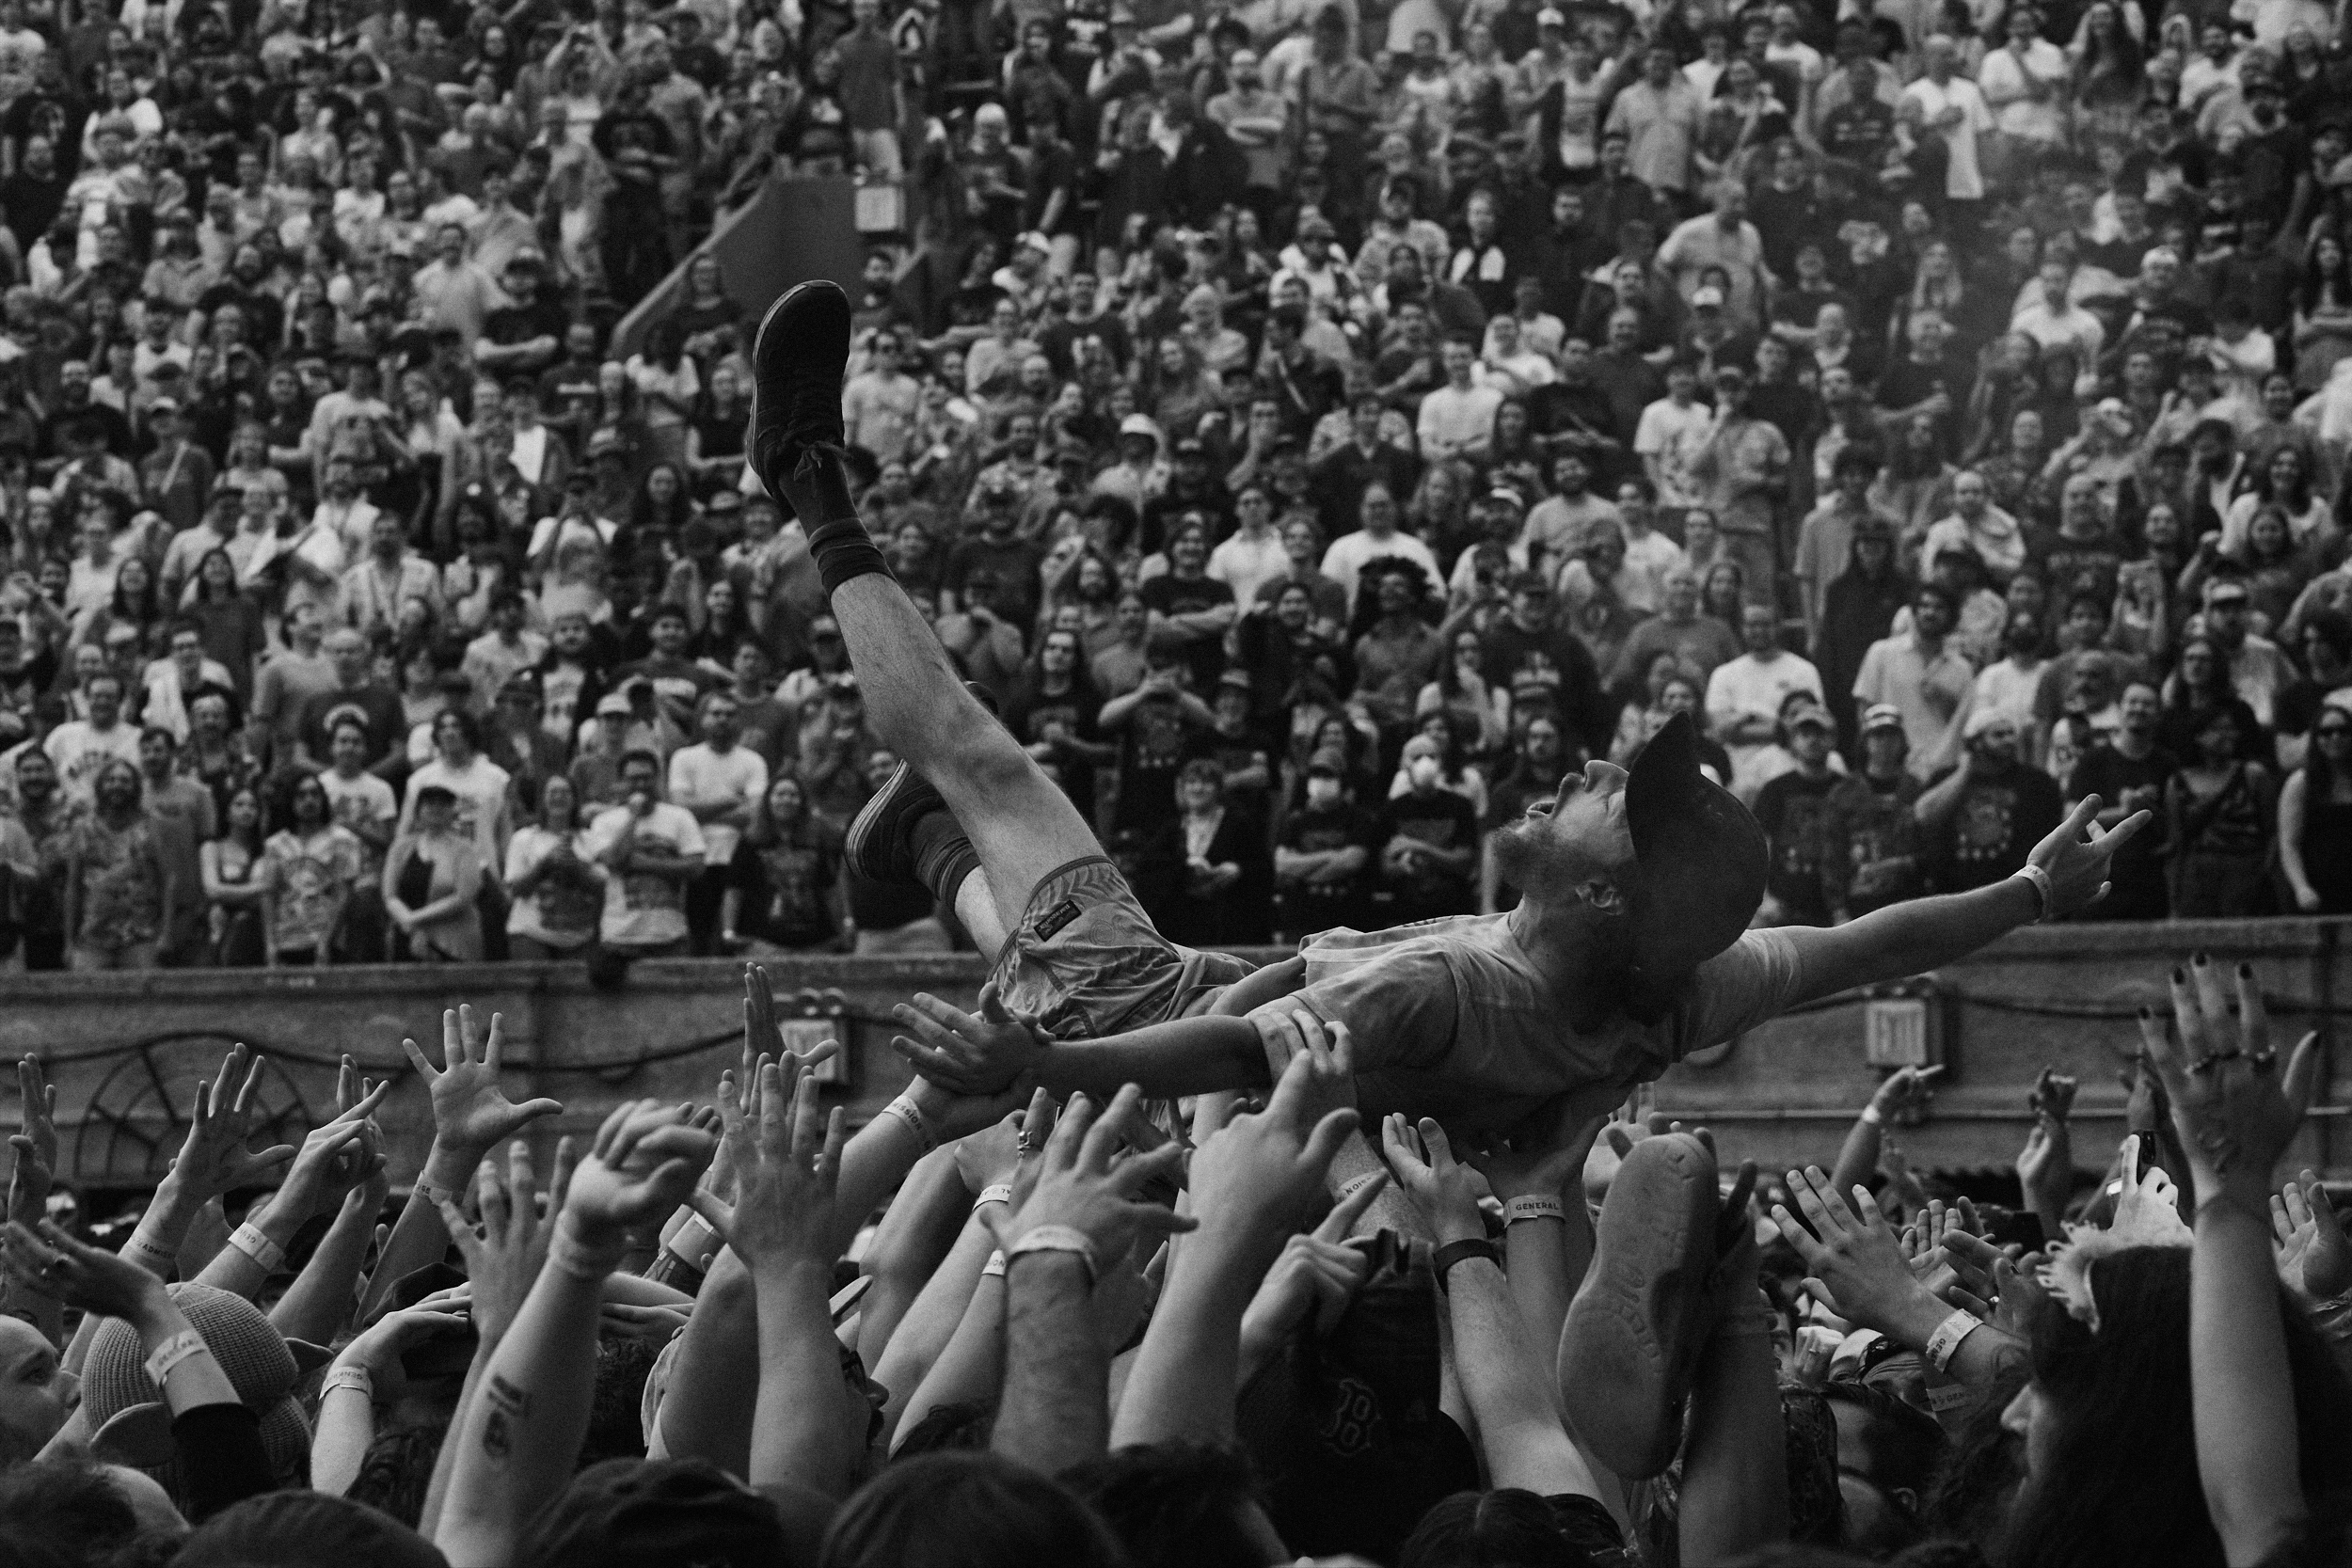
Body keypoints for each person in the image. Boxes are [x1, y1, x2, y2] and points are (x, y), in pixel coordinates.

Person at [754, 281, 2152, 1215]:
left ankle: (810, 484)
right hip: (1214, 1063)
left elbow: (1230, 1044)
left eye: (1614, 799)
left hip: (1149, 1039)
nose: (1588, 772)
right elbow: (1861, 944)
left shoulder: (1446, 989)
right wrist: (2031, 889)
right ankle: (927, 851)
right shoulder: (1668, 989)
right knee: (1013, 884)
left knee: (983, 759)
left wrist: (1040, 1068)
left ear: (1601, 887)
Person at [580, 748, 706, 958]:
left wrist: (643, 863)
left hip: (670, 935)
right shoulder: (604, 822)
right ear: (621, 782)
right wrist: (633, 818)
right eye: (633, 779)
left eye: (647, 778)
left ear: (657, 779)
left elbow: (697, 867)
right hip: (620, 936)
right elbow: (613, 860)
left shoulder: (680, 817)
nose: (641, 785)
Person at [2164, 705, 2279, 919]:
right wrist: (2175, 896)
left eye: (2230, 728)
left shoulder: (2252, 775)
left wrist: (2264, 875)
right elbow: (2177, 842)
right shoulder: (2178, 784)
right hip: (2196, 877)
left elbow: (2272, 831)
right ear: (2198, 736)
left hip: (2244, 872)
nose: (2226, 735)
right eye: (2217, 728)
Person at [63, 758, 171, 970]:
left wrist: (166, 934)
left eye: (124, 780)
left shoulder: (151, 826)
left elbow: (168, 881)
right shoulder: (82, 828)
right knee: (84, 990)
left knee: (146, 991)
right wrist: (68, 942)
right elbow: (73, 886)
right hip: (92, 938)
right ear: (100, 786)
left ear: (135, 787)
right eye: (110, 780)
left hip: (141, 937)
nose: (117, 785)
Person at [725, 773, 842, 955]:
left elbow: (830, 889)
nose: (786, 800)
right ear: (768, 801)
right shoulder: (751, 841)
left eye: (793, 795)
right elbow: (735, 889)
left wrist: (842, 928)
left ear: (802, 802)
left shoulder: (817, 840)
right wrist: (729, 931)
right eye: (780, 794)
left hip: (815, 943)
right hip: (763, 943)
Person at [260, 771, 361, 967]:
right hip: (286, 940)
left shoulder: (342, 840)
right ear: (290, 801)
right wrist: (270, 944)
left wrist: (325, 943)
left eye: (315, 794)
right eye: (301, 795)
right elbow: (268, 895)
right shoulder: (275, 844)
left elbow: (343, 893)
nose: (309, 801)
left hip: (328, 941)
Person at [503, 772, 606, 960]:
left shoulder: (591, 839)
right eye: (553, 792)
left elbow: (602, 888)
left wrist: (577, 868)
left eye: (565, 792)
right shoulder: (523, 838)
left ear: (575, 800)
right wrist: (544, 865)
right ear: (542, 800)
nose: (559, 797)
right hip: (530, 934)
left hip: (580, 938)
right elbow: (514, 890)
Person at [384, 784, 489, 964]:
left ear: (453, 811)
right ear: (418, 810)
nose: (436, 808)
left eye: (443, 804)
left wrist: (414, 919)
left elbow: (464, 896)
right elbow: (390, 895)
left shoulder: (466, 849)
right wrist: (408, 923)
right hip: (406, 935)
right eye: (430, 803)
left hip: (453, 941)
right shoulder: (401, 847)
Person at [2279, 702, 2352, 915]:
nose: (2335, 738)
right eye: (2326, 732)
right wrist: (2301, 888)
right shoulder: (2301, 783)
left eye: (2343, 731)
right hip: (2317, 888)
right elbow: (2289, 844)